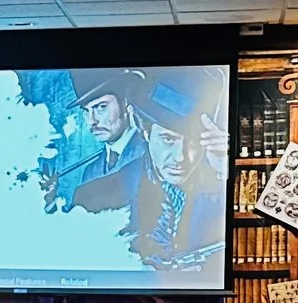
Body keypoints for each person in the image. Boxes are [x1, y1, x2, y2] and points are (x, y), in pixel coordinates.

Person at [120, 69, 229, 271]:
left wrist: (222, 171)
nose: (181, 157)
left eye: (193, 141)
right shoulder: (98, 194)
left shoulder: (220, 184)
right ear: (146, 132)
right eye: (168, 139)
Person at [47, 69, 150, 213]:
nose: (92, 121)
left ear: (127, 105)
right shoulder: (91, 171)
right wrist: (51, 200)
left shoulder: (149, 153)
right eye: (86, 111)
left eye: (101, 107)